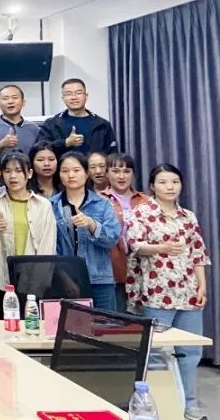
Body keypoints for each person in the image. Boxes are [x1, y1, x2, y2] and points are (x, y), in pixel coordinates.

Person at [126, 164, 209, 420]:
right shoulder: (142, 212)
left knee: (190, 351)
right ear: (152, 186)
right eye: (163, 182)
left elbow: (198, 253)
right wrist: (161, 248)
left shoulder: (188, 216)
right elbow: (135, 245)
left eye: (175, 181)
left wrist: (202, 285)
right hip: (157, 292)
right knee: (158, 352)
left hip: (188, 291)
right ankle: (160, 404)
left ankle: (190, 403)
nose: (170, 187)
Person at [0, 151, 57, 319]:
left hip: (33, 278)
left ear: (29, 173)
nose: (13, 176)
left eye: (18, 171)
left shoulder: (43, 205)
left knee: (30, 325)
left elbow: (48, 245)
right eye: (8, 171)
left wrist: (39, 281)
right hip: (1, 276)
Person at [51, 152, 121, 310]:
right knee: (68, 324)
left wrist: (92, 224)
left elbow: (113, 238)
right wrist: (63, 277)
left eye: (76, 170)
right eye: (65, 171)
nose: (71, 175)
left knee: (105, 323)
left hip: (99, 279)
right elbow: (49, 247)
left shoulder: (102, 204)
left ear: (87, 173)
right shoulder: (51, 205)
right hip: (64, 279)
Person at [100, 153, 150, 312]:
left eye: (127, 171)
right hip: (112, 271)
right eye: (115, 171)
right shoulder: (98, 200)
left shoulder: (146, 201)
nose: (121, 176)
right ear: (106, 173)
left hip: (143, 272)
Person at [39, 79, 117, 157]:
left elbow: (112, 155)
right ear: (63, 98)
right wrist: (65, 143)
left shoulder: (102, 125)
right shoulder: (51, 124)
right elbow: (40, 150)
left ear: (86, 96)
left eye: (78, 93)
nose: (74, 97)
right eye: (69, 94)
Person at [0, 84, 41, 156]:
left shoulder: (34, 128)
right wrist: (1, 145)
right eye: (5, 98)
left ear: (23, 102)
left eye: (15, 98)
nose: (10, 101)